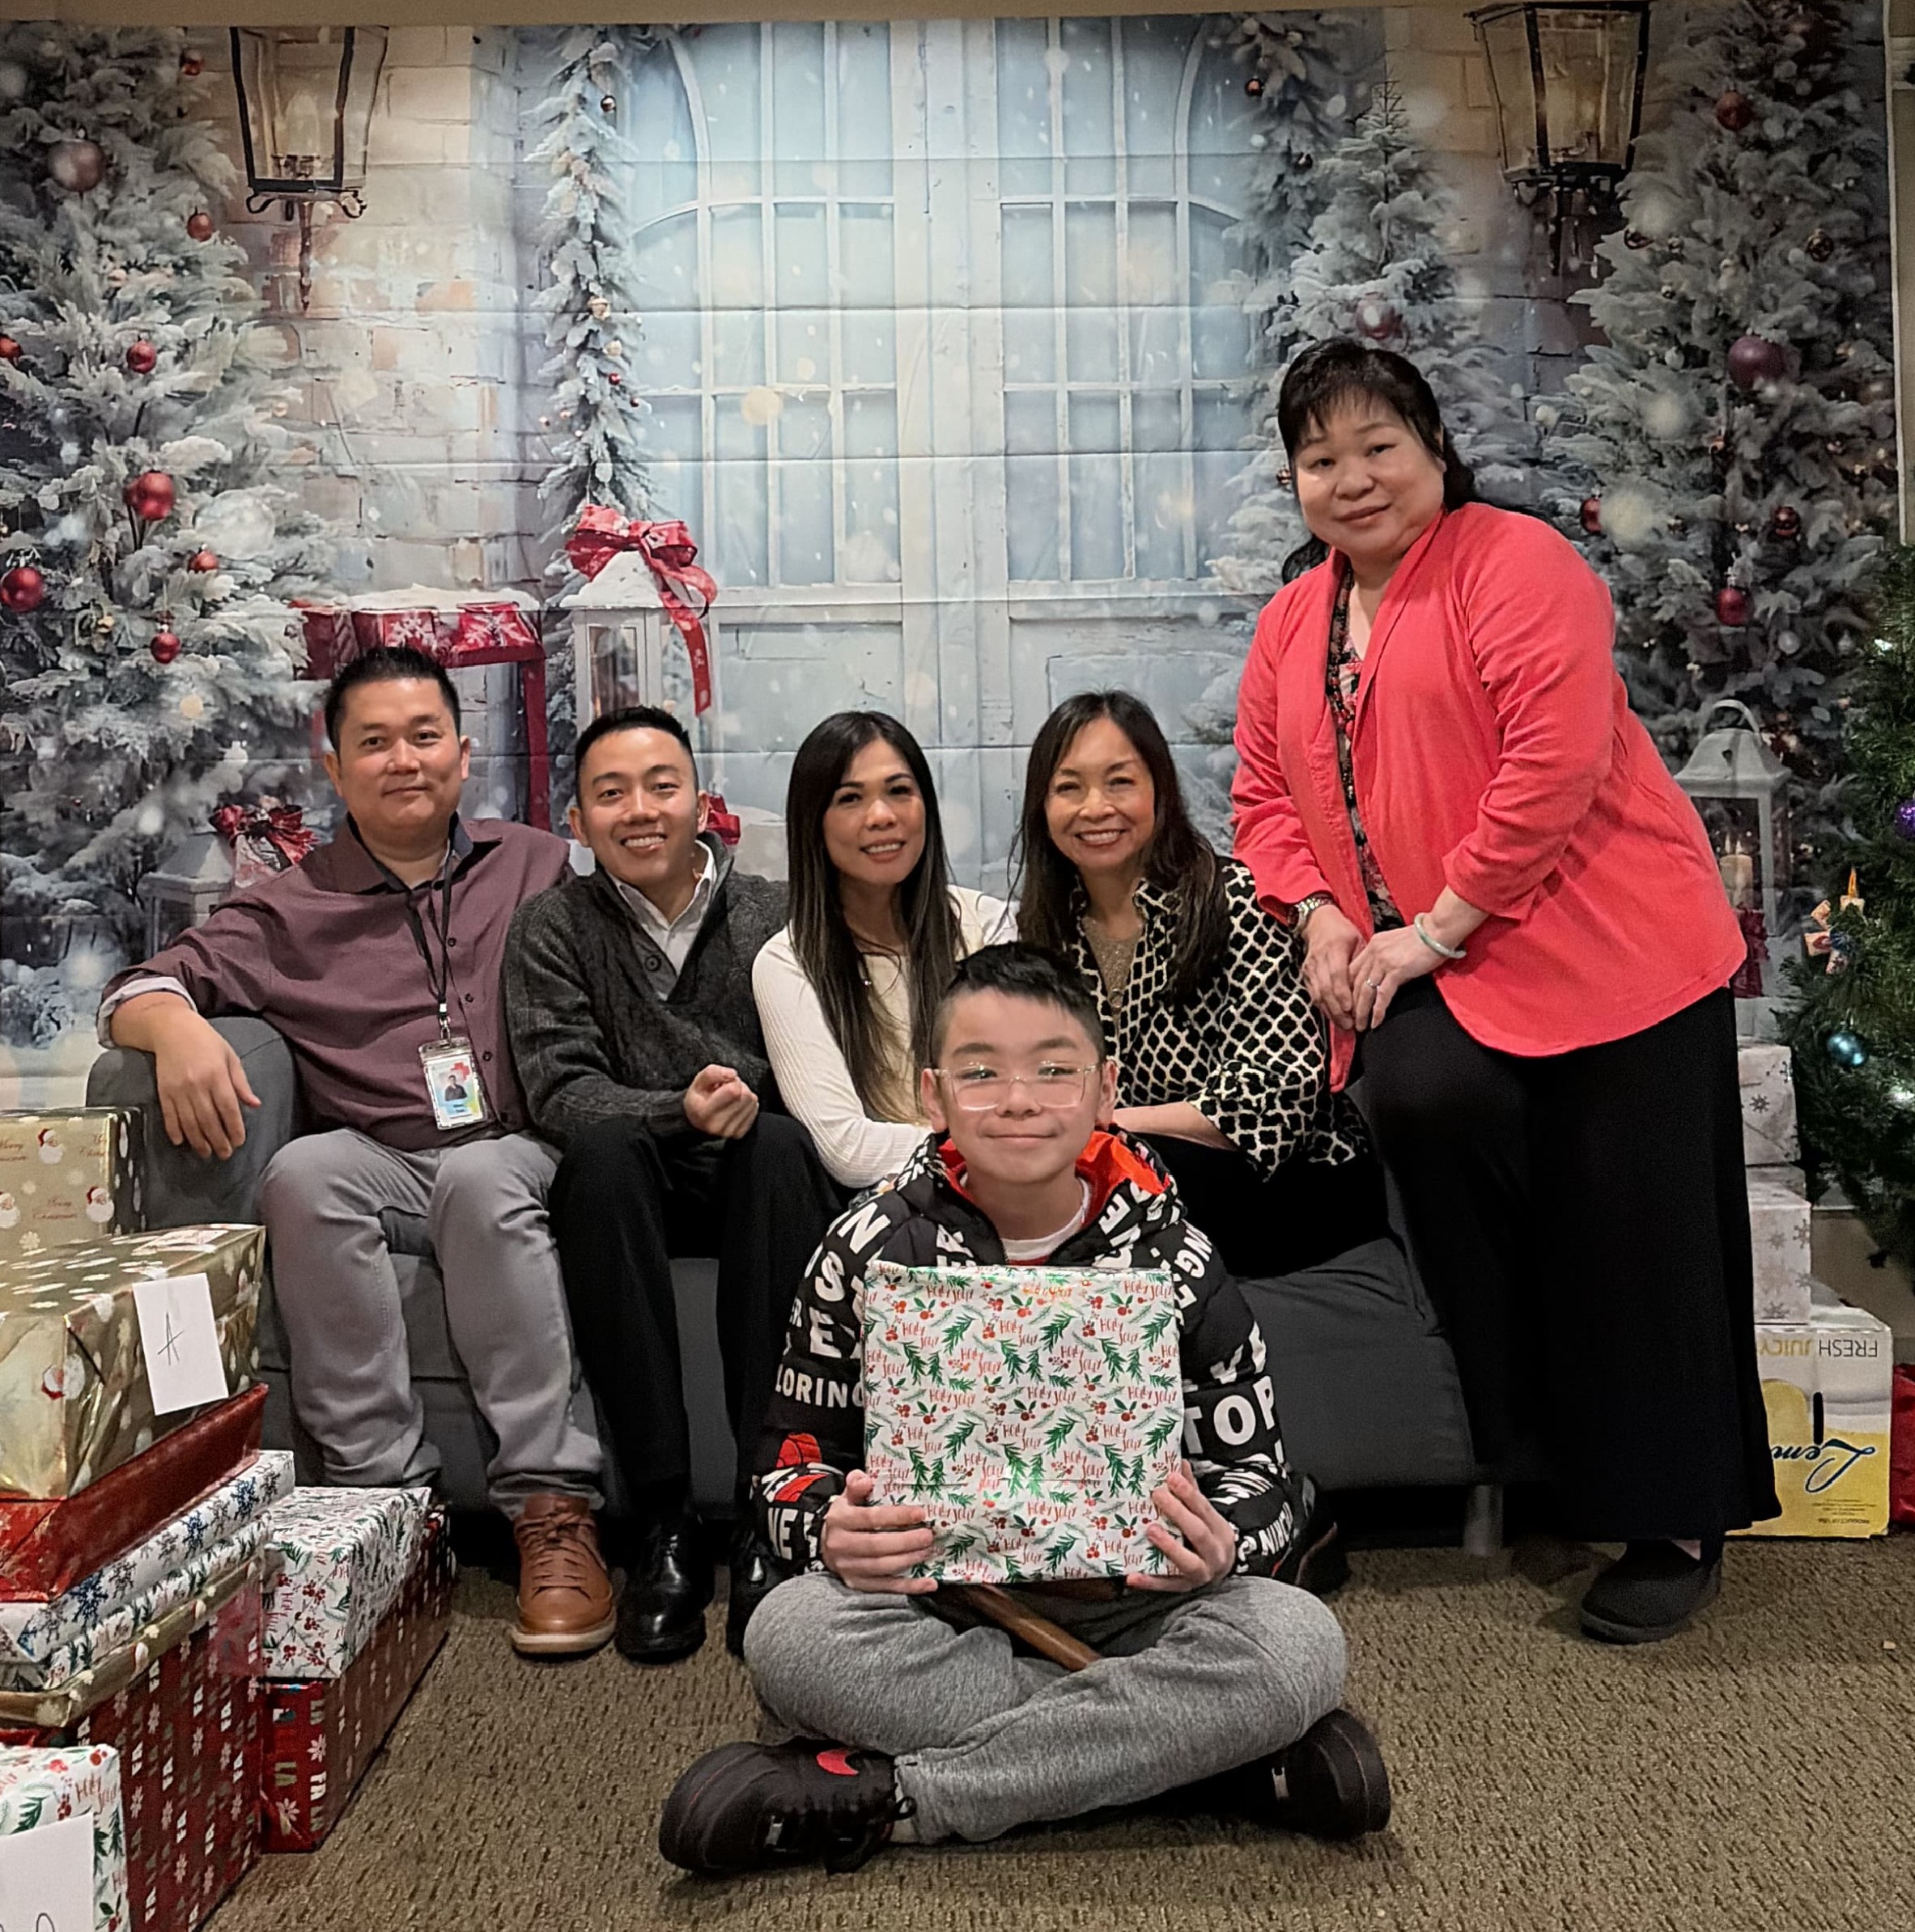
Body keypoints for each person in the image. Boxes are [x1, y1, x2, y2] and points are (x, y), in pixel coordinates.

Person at [1229, 338, 1778, 1645]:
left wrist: (1431, 928)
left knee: (1637, 1237)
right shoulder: (1296, 614)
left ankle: (1671, 1517)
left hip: (1614, 950)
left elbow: (1554, 762)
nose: (1352, 478)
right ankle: (1542, 1458)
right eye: (1321, 457)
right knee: (1422, 1105)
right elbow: (1261, 795)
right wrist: (1314, 913)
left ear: (1431, 450)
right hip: (1443, 964)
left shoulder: (1516, 560)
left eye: (1378, 446)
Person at [657, 944, 1386, 1875]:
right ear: (933, 1095)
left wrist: (1226, 1542)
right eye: (980, 1071)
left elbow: (1263, 1471)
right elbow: (787, 1466)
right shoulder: (867, 1244)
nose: (1017, 1098)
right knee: (789, 1636)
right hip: (940, 1610)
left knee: (1295, 1643)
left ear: (1102, 1088)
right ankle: (1207, 1764)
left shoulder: (1174, 1252)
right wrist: (827, 1531)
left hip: (1137, 1607)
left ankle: (902, 1799)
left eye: (1053, 1069)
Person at [100, 646, 612, 1658]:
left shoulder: (538, 863)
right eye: (372, 742)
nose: (402, 760)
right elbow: (138, 985)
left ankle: (551, 1505)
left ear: (464, 756)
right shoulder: (289, 909)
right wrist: (177, 1025)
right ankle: (384, 1501)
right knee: (305, 1170)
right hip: (384, 1158)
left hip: (517, 1151)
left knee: (476, 1171)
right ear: (334, 768)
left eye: (423, 736)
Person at [503, 706, 845, 1666]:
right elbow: (559, 1086)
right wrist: (675, 1111)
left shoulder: (776, 915)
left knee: (780, 1147)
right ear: (577, 819)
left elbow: (824, 1063)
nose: (639, 809)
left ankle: (760, 1512)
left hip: (753, 1162)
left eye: (661, 785)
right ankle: (661, 1522)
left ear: (702, 800)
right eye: (610, 793)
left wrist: (739, 1103)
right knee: (602, 1155)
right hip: (640, 1169)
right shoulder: (554, 927)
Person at [1015, 688, 1383, 1276]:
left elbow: (1272, 1101)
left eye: (1119, 782)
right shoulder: (1045, 936)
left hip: (1282, 1189)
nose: (1095, 807)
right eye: (1069, 787)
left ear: (1160, 790)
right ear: (1042, 806)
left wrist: (1105, 1124)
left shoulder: (1237, 900)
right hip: (1129, 1182)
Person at [752, 711, 1013, 1190]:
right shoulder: (788, 962)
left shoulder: (988, 927)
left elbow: (1019, 1097)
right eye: (850, 798)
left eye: (899, 791)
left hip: (1016, 1197)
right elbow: (846, 1149)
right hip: (886, 1216)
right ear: (814, 821)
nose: (882, 817)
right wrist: (993, 1147)